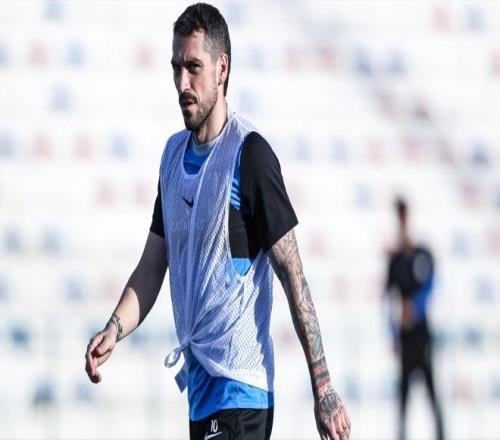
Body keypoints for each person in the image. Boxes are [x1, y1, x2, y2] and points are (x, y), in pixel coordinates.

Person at [85, 3, 351, 439]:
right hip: (201, 393)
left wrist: (323, 389)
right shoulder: (172, 158)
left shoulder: (250, 155)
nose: (182, 84)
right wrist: (114, 328)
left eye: (193, 67)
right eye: (176, 68)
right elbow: (151, 266)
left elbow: (293, 275)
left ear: (222, 68)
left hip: (241, 392)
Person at [385, 197, 444, 440]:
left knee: (433, 394)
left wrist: (414, 308)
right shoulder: (395, 261)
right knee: (403, 398)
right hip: (405, 335)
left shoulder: (423, 254)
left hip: (422, 334)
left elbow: (432, 285)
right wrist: (392, 333)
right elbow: (388, 300)